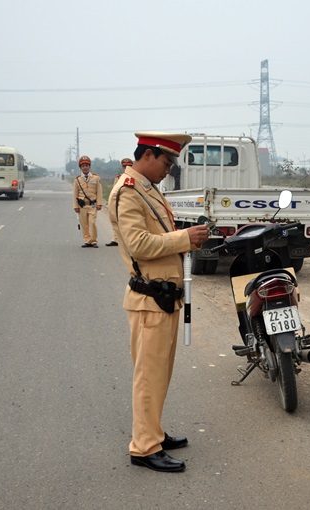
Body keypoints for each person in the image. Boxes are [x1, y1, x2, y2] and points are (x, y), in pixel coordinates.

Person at [108, 132, 210, 473]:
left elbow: (158, 238)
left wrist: (186, 239)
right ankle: (144, 447)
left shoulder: (147, 189)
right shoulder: (129, 191)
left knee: (159, 375)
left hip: (163, 300)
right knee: (148, 377)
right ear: (148, 155)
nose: (168, 169)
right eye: (166, 162)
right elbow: (138, 244)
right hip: (149, 300)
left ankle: (153, 432)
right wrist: (183, 237)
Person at [73, 155, 103, 247]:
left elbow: (99, 191)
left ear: (90, 167)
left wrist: (100, 203)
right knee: (84, 224)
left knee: (92, 223)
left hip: (92, 205)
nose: (85, 167)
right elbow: (75, 194)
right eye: (83, 166)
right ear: (80, 168)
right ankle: (87, 240)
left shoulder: (96, 178)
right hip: (82, 206)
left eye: (87, 165)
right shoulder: (77, 180)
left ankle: (94, 241)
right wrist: (75, 206)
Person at [105, 158, 133, 246]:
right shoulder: (118, 178)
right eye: (124, 167)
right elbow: (114, 191)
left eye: (128, 166)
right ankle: (115, 239)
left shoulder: (134, 178)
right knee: (117, 221)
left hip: (131, 203)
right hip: (120, 203)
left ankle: (129, 240)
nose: (126, 168)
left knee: (130, 223)